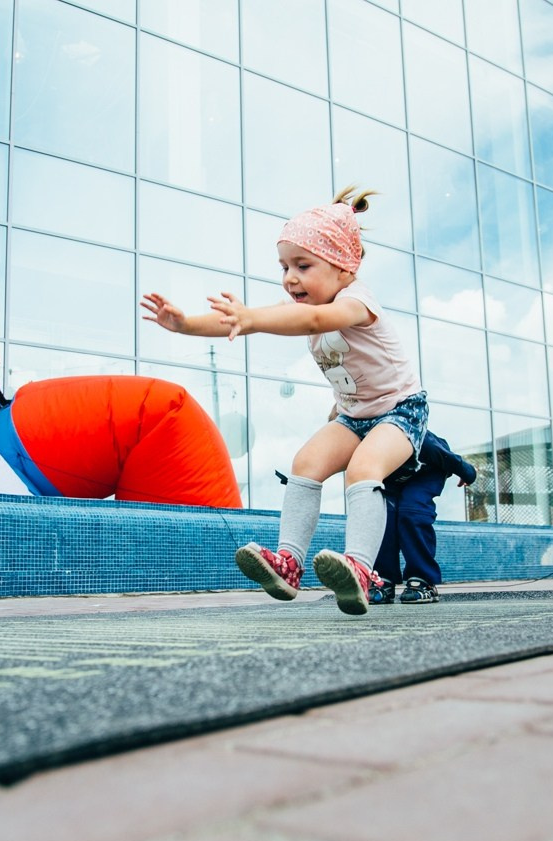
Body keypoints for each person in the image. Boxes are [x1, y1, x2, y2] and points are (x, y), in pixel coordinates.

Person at [141, 186, 426, 616]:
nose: (290, 278)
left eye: (303, 265)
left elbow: (312, 319)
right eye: (284, 266)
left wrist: (254, 316)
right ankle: (288, 563)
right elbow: (238, 323)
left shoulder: (357, 302)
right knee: (306, 462)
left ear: (344, 268)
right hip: (353, 414)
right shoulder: (304, 302)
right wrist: (184, 325)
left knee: (364, 469)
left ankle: (363, 571)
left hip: (400, 411)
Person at [368, 432, 476, 605]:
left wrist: (468, 472)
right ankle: (383, 579)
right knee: (384, 515)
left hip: (429, 469)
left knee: (412, 509)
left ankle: (423, 579)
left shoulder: (418, 439)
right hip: (394, 476)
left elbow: (449, 458)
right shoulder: (360, 449)